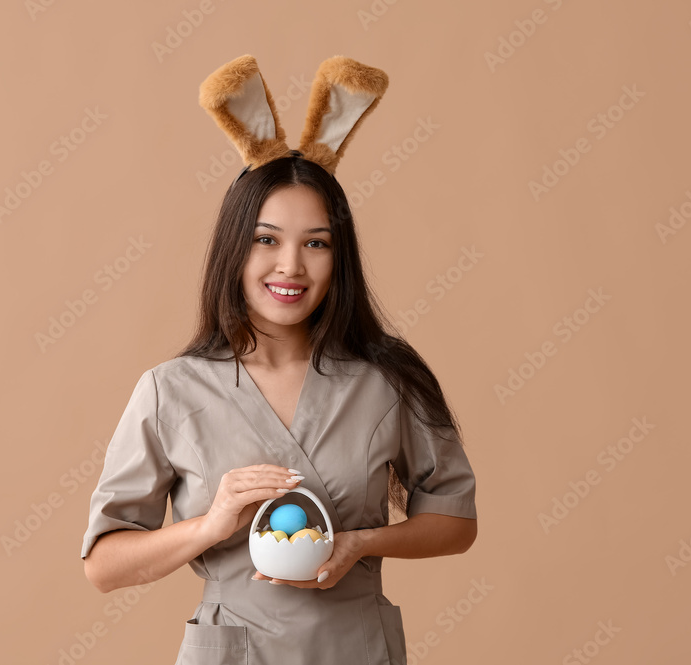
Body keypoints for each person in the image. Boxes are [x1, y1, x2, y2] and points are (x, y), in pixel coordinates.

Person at [80, 55, 477, 665]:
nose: (290, 266)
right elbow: (104, 566)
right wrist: (212, 525)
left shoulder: (385, 382)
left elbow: (456, 521)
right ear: (235, 250)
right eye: (267, 240)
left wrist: (359, 542)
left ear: (338, 257)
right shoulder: (171, 391)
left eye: (315, 244)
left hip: (356, 648)